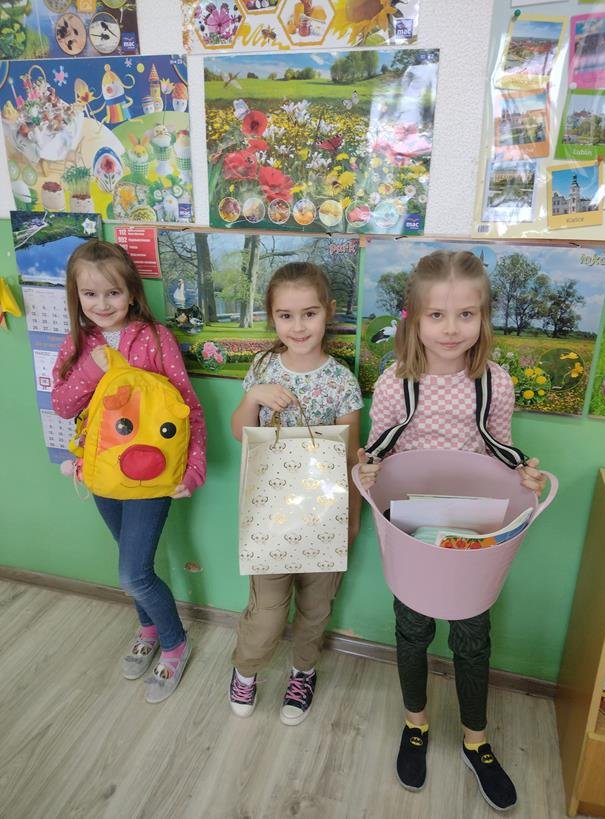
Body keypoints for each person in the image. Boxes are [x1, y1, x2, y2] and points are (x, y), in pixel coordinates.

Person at [357, 250, 546, 812]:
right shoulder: (395, 383)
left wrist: (524, 473)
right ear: (414, 317)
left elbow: (500, 448)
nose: (451, 329)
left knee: (472, 636)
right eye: (437, 315)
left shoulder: (495, 382)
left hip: (472, 528)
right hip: (411, 529)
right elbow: (377, 453)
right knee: (412, 628)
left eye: (467, 314)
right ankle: (415, 725)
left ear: (484, 317)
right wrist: (366, 470)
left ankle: (475, 739)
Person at [52, 239, 206, 704]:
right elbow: (63, 406)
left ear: (132, 292)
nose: (102, 304)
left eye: (113, 293)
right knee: (130, 562)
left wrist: (194, 468)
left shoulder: (156, 338)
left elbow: (188, 407)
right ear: (76, 296)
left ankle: (174, 643)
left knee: (133, 574)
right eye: (90, 294)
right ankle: (148, 628)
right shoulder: (78, 343)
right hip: (102, 474)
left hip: (150, 476)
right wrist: (92, 369)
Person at [229, 262, 363, 725]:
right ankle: (246, 670)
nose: (298, 326)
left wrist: (352, 519)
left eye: (309, 313)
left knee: (315, 608)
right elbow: (240, 433)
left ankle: (303, 671)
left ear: (329, 312)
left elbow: (350, 457)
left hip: (325, 518)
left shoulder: (341, 380)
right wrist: (255, 396)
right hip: (270, 518)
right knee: (267, 612)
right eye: (285, 316)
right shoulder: (264, 368)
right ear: (272, 317)